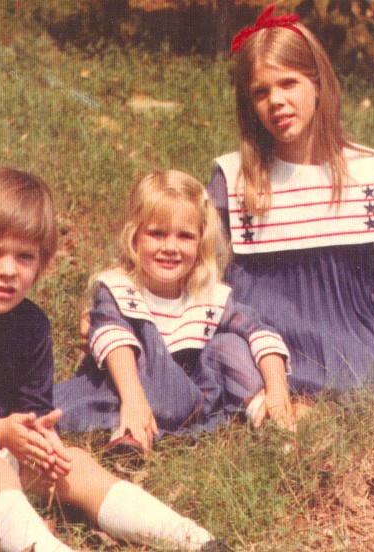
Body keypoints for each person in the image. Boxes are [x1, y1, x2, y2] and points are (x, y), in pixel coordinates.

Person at [0, 166, 230, 552]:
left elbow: (33, 409)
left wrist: (42, 437)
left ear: (42, 263)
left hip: (2, 453)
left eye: (24, 257)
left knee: (75, 461)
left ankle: (194, 540)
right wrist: (0, 432)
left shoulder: (32, 324)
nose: (8, 270)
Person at [207, 6, 374, 408]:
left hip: (345, 333)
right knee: (223, 356)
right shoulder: (234, 178)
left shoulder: (367, 173)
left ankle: (298, 406)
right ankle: (274, 404)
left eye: (288, 83)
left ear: (317, 84)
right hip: (262, 337)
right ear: (250, 104)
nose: (276, 100)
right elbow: (205, 276)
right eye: (261, 92)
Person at [54, 169, 295, 456]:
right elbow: (112, 336)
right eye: (157, 234)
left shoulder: (209, 295)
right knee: (119, 363)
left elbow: (259, 332)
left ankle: (268, 417)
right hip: (135, 387)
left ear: (201, 242)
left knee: (231, 344)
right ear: (135, 237)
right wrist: (133, 399)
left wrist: (277, 390)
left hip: (195, 395)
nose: (170, 247)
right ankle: (131, 428)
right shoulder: (119, 287)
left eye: (185, 236)